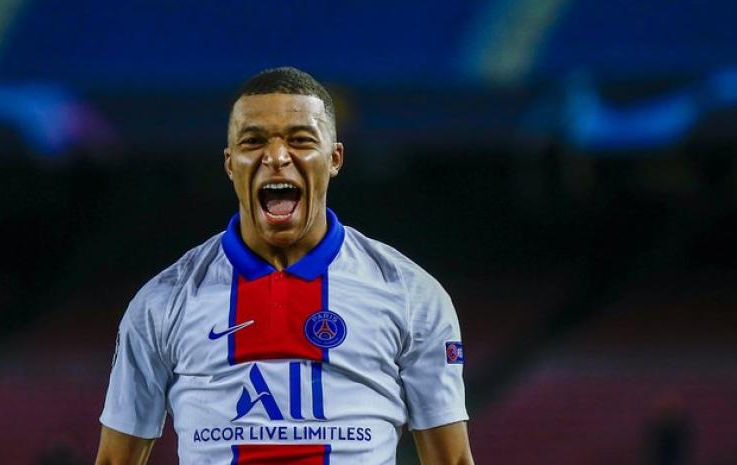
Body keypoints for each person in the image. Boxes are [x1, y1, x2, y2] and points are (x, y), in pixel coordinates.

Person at [94, 67, 474, 465]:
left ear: (334, 158)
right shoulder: (163, 302)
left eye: (300, 140)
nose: (276, 157)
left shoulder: (411, 295)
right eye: (253, 141)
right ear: (229, 163)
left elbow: (452, 460)